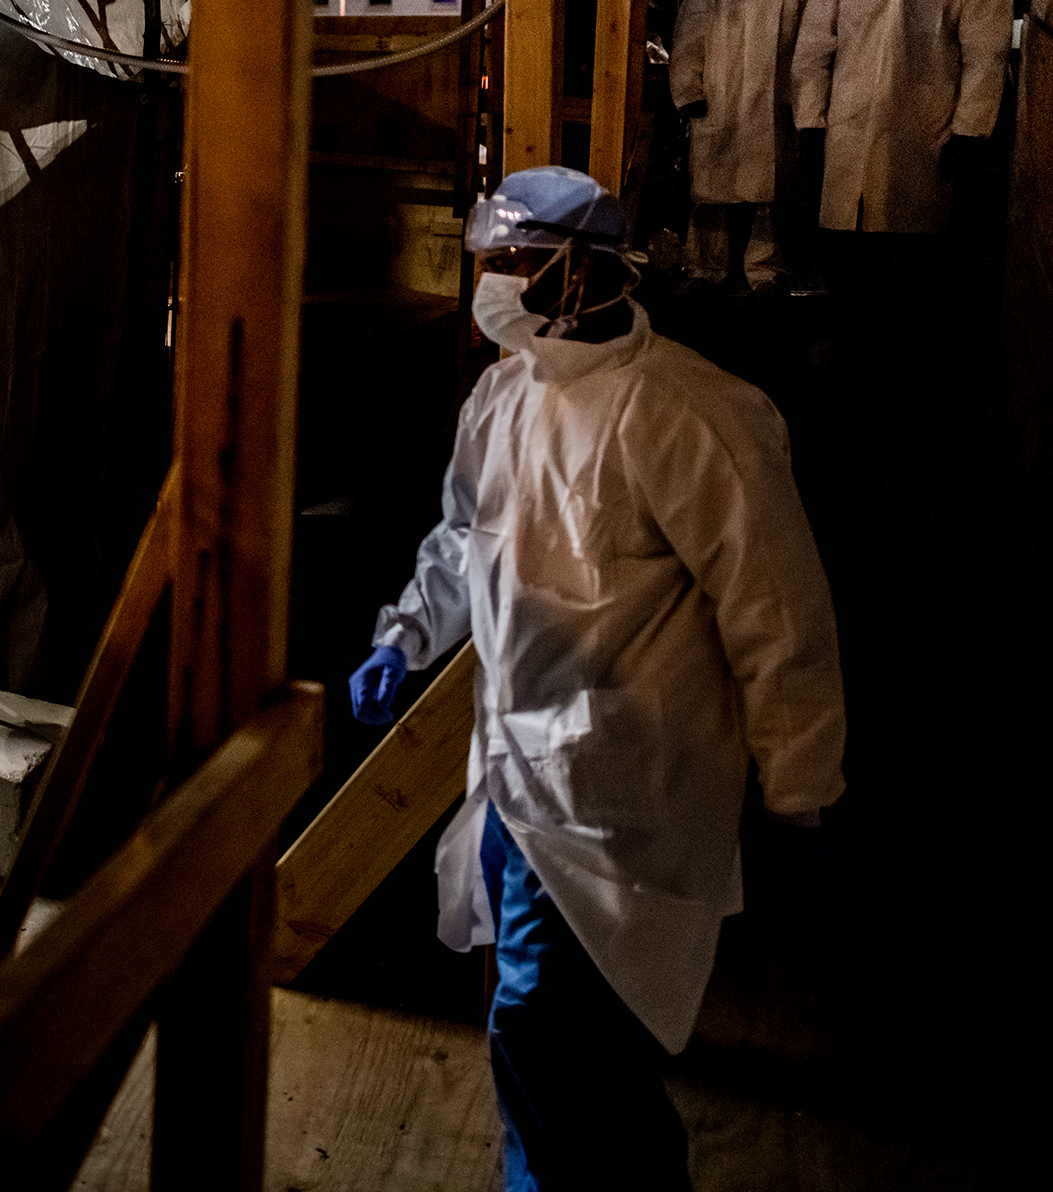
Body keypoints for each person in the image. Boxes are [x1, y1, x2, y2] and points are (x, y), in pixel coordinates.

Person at [348, 167, 845, 1191]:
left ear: (582, 273)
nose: (492, 279)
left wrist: (803, 792)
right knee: (557, 1032)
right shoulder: (503, 393)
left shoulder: (692, 416)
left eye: (515, 261)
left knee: (547, 1025)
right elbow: (461, 538)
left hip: (618, 785)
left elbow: (779, 616)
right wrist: (405, 637)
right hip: (513, 776)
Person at [790, 0, 1011, 347]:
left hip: (924, 141)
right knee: (847, 268)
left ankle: (902, 377)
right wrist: (811, 122)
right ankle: (847, 363)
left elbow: (985, 57)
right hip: (848, 137)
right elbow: (813, 52)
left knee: (911, 275)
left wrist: (970, 131)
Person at [669, 0, 820, 293]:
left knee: (769, 193)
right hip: (719, 96)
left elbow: (815, 40)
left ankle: (765, 268)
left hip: (776, 99)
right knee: (710, 191)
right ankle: (704, 266)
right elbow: (689, 38)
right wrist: (688, 91)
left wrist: (808, 102)